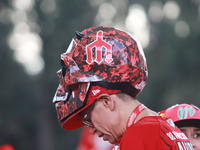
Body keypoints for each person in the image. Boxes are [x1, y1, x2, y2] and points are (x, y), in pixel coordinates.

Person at [53, 26, 193, 149]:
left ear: (107, 102)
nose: (91, 131)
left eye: (88, 118)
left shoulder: (140, 135)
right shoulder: (166, 127)